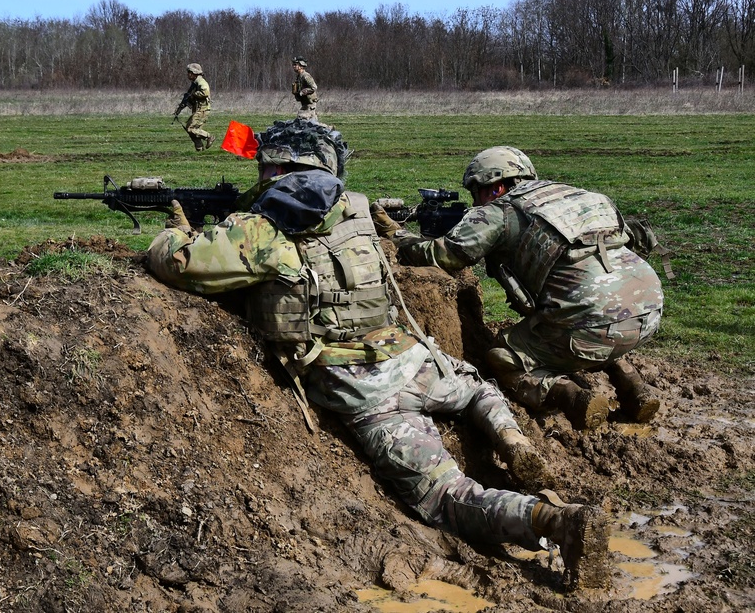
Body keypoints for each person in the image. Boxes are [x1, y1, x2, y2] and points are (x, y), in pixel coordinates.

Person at [147, 121, 610, 589]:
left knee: (446, 497)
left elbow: (178, 263)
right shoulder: (356, 209)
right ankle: (514, 441)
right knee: (476, 390)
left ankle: (555, 521)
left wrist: (176, 231)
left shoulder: (264, 231)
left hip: (363, 387)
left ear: (281, 167)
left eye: (266, 164)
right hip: (413, 357)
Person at [372, 146, 663, 431]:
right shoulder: (574, 195)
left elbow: (445, 255)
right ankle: (635, 389)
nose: (476, 202)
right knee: (596, 321)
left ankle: (569, 396)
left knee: (503, 355)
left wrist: (396, 235)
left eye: (477, 192)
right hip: (647, 311)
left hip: (588, 325)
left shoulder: (502, 210)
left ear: (494, 187)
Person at [176, 63, 212, 150]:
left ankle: (209, 137)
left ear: (194, 73)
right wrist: (180, 107)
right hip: (198, 109)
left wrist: (193, 95)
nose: (188, 74)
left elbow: (205, 92)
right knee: (190, 128)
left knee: (191, 128)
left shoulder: (201, 82)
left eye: (189, 72)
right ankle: (199, 147)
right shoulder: (195, 83)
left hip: (202, 109)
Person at [291, 57, 319, 121]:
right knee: (308, 121)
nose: (293, 66)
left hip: (310, 103)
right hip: (305, 103)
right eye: (293, 65)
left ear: (301, 66)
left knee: (302, 117)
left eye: (295, 65)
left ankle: (329, 129)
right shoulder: (299, 77)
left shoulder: (305, 76)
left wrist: (304, 91)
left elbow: (314, 87)